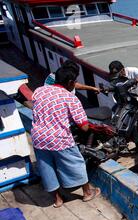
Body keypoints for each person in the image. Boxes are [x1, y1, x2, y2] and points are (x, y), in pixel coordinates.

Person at [31, 67, 101, 208]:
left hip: (38, 137)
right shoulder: (70, 97)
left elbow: (37, 106)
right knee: (76, 163)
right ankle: (87, 193)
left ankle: (58, 200)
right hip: (59, 138)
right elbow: (84, 127)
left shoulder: (39, 90)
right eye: (74, 82)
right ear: (70, 82)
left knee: (47, 169)